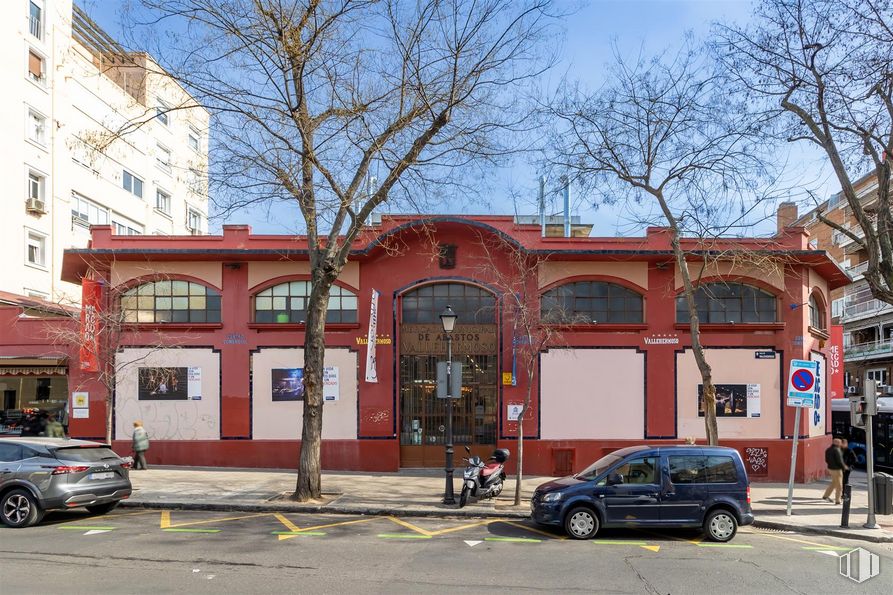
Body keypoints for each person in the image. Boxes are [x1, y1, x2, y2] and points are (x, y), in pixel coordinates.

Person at [822, 437, 847, 504]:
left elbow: (826, 460)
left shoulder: (828, 450)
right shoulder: (837, 450)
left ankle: (826, 495)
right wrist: (844, 467)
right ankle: (838, 500)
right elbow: (840, 461)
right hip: (837, 469)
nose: (840, 444)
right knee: (839, 485)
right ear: (836, 443)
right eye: (839, 443)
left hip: (830, 468)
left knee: (834, 483)